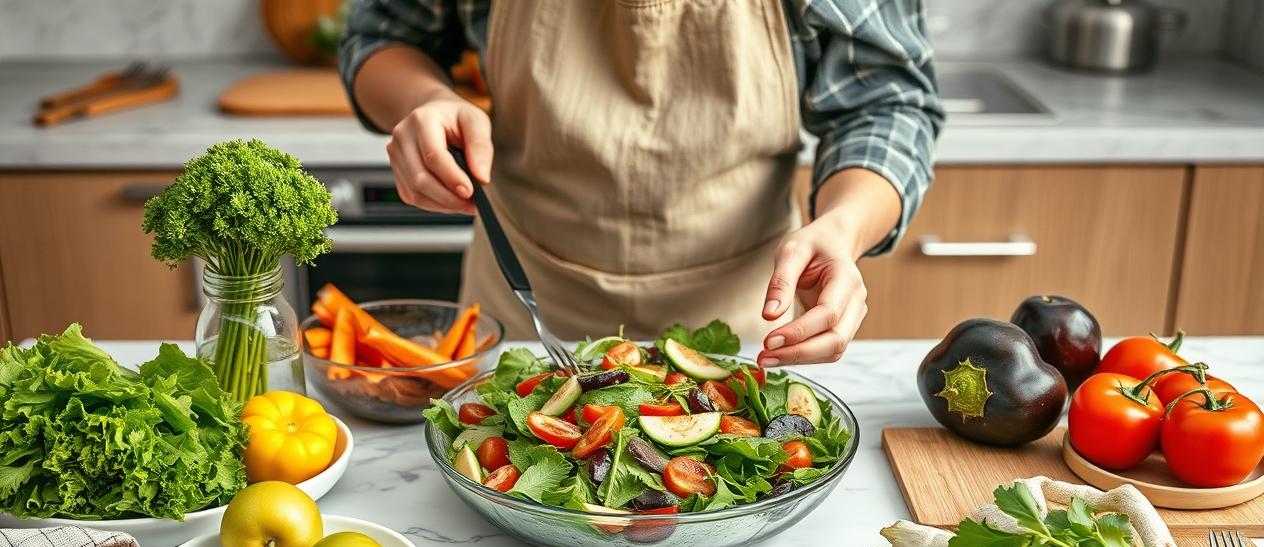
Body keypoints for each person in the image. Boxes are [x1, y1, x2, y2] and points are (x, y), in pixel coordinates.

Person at [340, 0, 942, 366]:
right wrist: (424, 99)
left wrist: (844, 226)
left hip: (746, 325)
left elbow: (886, 102)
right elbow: (383, 36)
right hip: (524, 310)